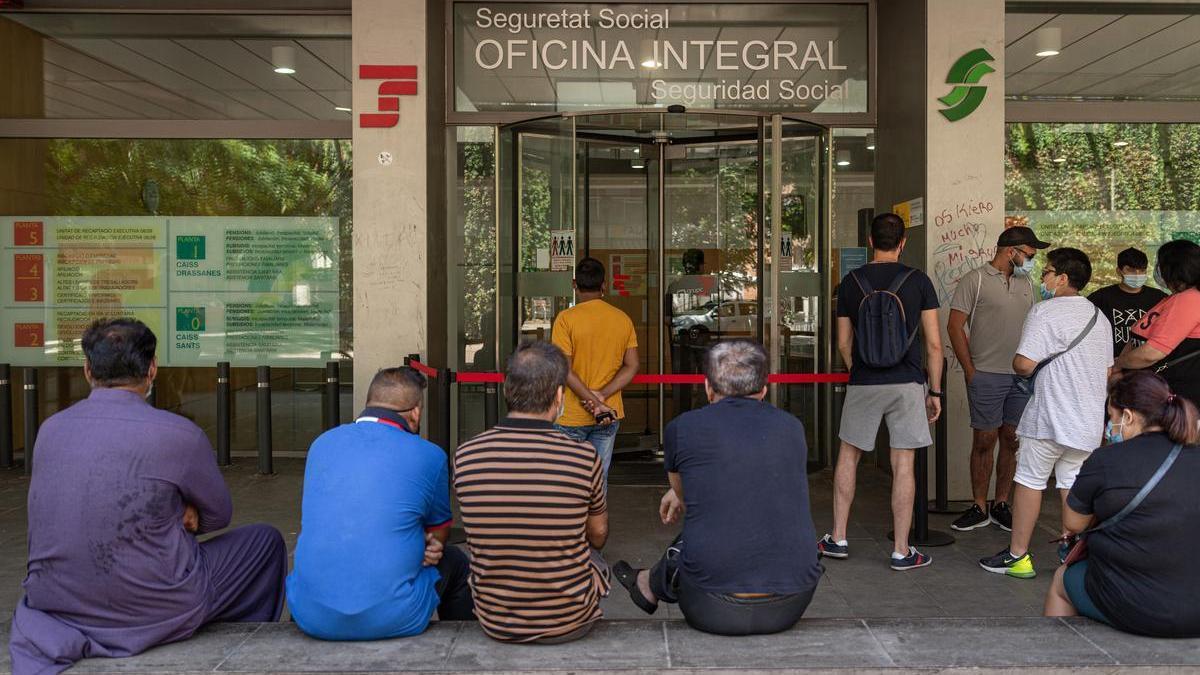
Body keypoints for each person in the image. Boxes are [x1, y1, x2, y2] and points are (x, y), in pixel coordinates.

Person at [9, 319, 286, 675]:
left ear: (87, 369)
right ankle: (231, 649)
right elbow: (219, 515)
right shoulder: (179, 434)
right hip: (155, 603)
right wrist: (177, 514)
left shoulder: (50, 430)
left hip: (57, 602)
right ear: (152, 369)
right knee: (264, 542)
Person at [611, 340, 822, 635]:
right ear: (763, 389)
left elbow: (686, 497)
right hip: (792, 603)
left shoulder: (682, 428)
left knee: (699, 530)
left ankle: (649, 583)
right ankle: (648, 581)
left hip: (711, 607)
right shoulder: (792, 427)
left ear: (708, 386)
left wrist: (677, 490)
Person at [287, 366, 474, 640]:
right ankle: (458, 649)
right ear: (415, 412)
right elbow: (438, 535)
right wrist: (415, 542)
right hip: (392, 617)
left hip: (309, 616)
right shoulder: (430, 455)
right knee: (456, 560)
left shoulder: (321, 444)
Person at [454, 341, 610, 644]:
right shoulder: (582, 456)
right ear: (559, 396)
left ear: (506, 391)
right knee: (596, 558)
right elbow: (599, 535)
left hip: (495, 622)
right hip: (570, 622)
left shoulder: (467, 455)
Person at [818, 212, 943, 571]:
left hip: (864, 381)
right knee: (903, 464)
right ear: (903, 243)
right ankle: (902, 550)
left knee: (849, 456)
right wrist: (934, 391)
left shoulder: (851, 281)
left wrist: (858, 367)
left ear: (870, 242)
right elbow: (934, 345)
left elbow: (843, 342)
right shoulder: (919, 281)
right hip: (907, 383)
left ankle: (838, 537)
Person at [980, 248, 1112, 579]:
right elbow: (1107, 371)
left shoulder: (1046, 312)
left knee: (1029, 482)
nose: (1042, 278)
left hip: (1050, 417)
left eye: (1047, 272)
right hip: (1087, 421)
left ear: (1063, 278)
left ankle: (1018, 556)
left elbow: (1023, 364)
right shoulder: (1099, 316)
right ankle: (1075, 555)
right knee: (1072, 484)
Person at [1045, 370, 1200, 637]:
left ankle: (1052, 658)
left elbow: (1073, 523)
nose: (1109, 426)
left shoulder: (1106, 459)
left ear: (1127, 417)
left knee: (1062, 580)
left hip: (1140, 609)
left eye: (1112, 417)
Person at [946, 226, 1048, 533]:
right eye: (1029, 254)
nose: (1031, 259)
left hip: (1020, 377)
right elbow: (954, 327)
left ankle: (1001, 503)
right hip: (985, 374)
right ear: (1011, 251)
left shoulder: (1027, 282)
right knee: (984, 440)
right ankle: (979, 505)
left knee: (1011, 440)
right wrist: (970, 370)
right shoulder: (974, 280)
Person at [552, 256, 639, 479]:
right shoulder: (622, 319)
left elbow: (564, 369)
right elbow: (632, 365)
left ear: (574, 284)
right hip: (608, 415)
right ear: (604, 285)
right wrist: (601, 399)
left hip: (571, 416)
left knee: (568, 484)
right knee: (598, 484)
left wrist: (592, 401)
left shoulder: (565, 319)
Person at [1116, 239, 1200, 406]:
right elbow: (1137, 337)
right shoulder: (1174, 298)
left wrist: (1117, 363)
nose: (1158, 270)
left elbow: (1151, 353)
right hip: (1156, 391)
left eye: (1160, 264)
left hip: (1175, 398)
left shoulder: (1189, 299)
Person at [1087, 247, 1167, 357]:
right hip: (1112, 363)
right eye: (1131, 270)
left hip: (1148, 362)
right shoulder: (1101, 297)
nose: (1137, 274)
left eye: (1142, 270)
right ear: (1118, 271)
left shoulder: (1159, 298)